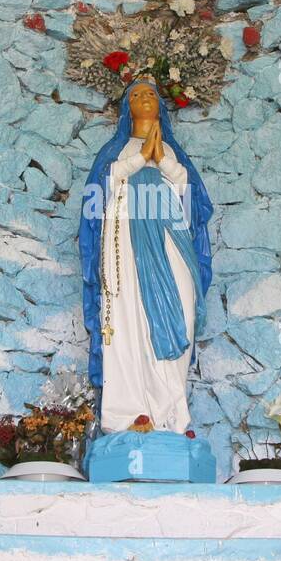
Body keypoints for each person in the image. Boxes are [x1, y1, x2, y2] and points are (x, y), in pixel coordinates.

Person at [79, 77, 213, 432]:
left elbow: (193, 205)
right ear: (127, 108)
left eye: (149, 93)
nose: (142, 98)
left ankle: (172, 414)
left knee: (181, 311)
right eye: (135, 94)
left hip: (171, 243)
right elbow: (99, 196)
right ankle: (130, 413)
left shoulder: (173, 152)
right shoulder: (114, 151)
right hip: (127, 247)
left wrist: (163, 162)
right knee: (128, 320)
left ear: (160, 104)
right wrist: (140, 159)